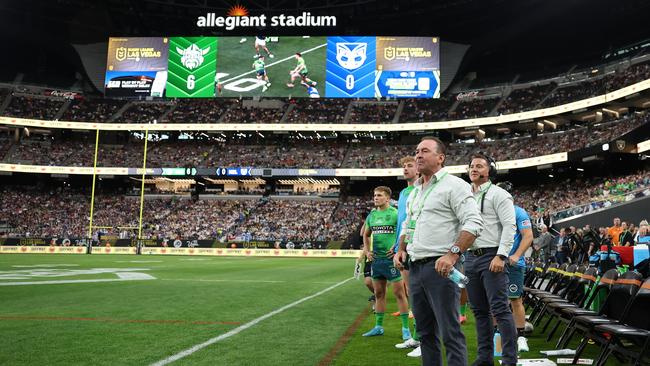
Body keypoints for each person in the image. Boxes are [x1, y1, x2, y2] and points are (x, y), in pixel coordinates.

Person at [393, 136, 484, 366]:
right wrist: (401, 248)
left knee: (450, 333)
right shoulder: (415, 191)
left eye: (424, 151)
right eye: (416, 151)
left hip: (441, 267)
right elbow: (408, 224)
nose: (418, 155)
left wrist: (453, 254)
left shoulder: (455, 185)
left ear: (440, 158)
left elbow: (473, 223)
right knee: (425, 333)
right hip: (415, 267)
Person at [465, 153, 517, 366]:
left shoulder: (499, 194)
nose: (474, 169)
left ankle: (509, 360)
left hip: (491, 255)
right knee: (479, 311)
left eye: (479, 166)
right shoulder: (465, 196)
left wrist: (501, 255)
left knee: (500, 310)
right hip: (470, 257)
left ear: (490, 171)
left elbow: (509, 226)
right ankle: (484, 358)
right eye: (471, 166)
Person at [362, 186, 412, 341]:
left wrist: (397, 246)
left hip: (392, 260)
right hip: (377, 260)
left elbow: (404, 231)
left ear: (388, 198)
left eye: (379, 195)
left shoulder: (395, 214)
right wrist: (367, 250)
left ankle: (405, 329)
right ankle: (378, 327)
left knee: (399, 293)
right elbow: (366, 234)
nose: (376, 198)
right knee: (378, 294)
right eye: (374, 195)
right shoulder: (372, 215)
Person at [392, 156, 420, 354]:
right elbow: (402, 221)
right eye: (403, 166)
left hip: (418, 246)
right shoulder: (402, 192)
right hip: (402, 247)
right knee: (411, 292)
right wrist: (397, 247)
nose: (405, 169)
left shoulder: (421, 189)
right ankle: (416, 337)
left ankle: (423, 339)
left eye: (409, 165)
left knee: (420, 294)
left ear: (418, 169)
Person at [508, 204, 534, 353]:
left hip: (514, 263)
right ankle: (495, 334)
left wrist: (517, 255)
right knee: (494, 300)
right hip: (494, 261)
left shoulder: (518, 212)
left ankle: (521, 336)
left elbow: (528, 235)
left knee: (515, 299)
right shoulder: (492, 209)